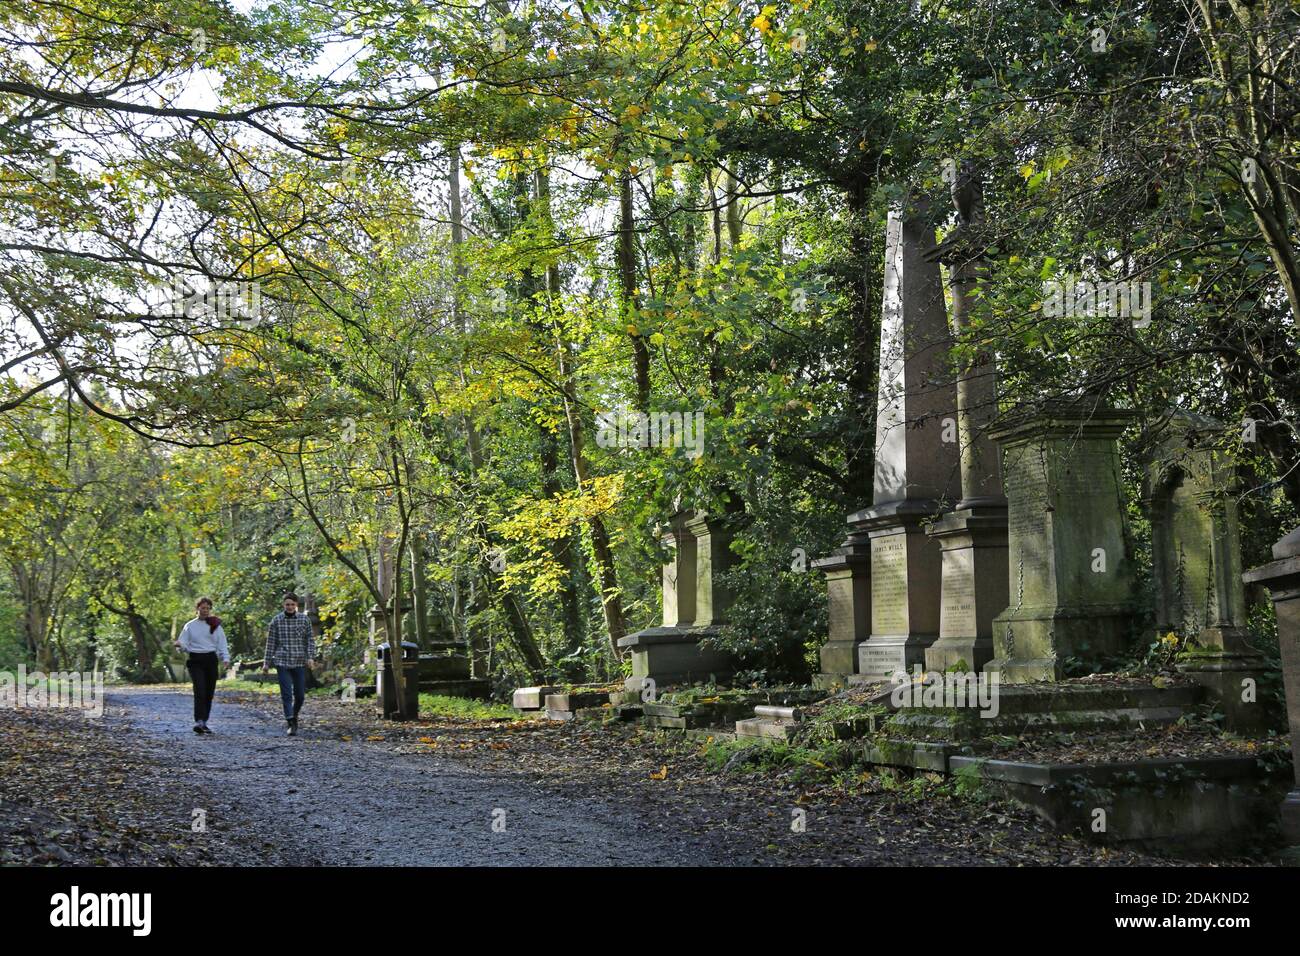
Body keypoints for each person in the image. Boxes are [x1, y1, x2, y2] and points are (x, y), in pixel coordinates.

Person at [262, 592, 317, 736]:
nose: (290, 607)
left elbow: (310, 640)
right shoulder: (276, 620)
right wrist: (266, 663)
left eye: (292, 604)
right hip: (282, 662)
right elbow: (271, 643)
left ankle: (294, 714)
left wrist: (310, 657)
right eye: (287, 604)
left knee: (300, 695)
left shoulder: (304, 620)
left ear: (296, 605)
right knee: (286, 694)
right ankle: (291, 721)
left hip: (299, 662)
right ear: (283, 605)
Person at [174, 597, 230, 735]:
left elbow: (222, 643)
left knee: (209, 692)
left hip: (211, 659)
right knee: (200, 690)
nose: (205, 611)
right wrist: (180, 646)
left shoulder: (215, 624)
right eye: (202, 608)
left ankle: (204, 721)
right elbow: (183, 644)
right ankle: (198, 720)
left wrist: (225, 658)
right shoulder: (190, 626)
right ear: (197, 609)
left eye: (207, 608)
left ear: (210, 609)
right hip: (195, 660)